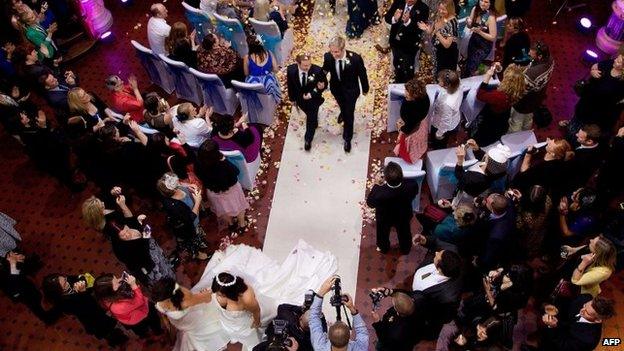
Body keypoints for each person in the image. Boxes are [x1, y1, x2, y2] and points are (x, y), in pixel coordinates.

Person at [190, 241, 337, 350]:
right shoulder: (221, 290)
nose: (218, 295)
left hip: (248, 318)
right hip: (231, 322)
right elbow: (213, 293)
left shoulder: (247, 297)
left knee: (255, 331)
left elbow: (256, 311)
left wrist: (256, 321)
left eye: (220, 293)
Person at [41, 273, 129, 347]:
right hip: (89, 316)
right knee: (104, 329)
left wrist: (84, 281)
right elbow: (81, 307)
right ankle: (115, 340)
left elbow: (78, 278)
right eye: (64, 284)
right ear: (58, 291)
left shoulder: (68, 280)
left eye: (65, 279)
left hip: (95, 307)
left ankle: (114, 333)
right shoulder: (62, 302)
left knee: (106, 320)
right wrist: (82, 292)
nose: (67, 282)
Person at [410, 234, 464, 338]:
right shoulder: (452, 250)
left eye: (437, 255)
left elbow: (444, 317)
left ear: (440, 269)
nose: (436, 252)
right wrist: (425, 240)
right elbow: (437, 243)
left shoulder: (449, 297)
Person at [564, 45, 624, 138]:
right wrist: (593, 71)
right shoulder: (609, 63)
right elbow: (595, 66)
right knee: (576, 120)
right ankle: (569, 131)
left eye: (619, 61)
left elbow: (616, 103)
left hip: (597, 112)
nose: (615, 60)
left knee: (584, 133)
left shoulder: (621, 83)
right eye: (617, 58)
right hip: (586, 101)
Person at [151, 277, 227, 351]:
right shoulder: (185, 300)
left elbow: (164, 316)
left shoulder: (159, 303)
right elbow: (208, 299)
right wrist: (208, 292)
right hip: (192, 320)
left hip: (179, 323)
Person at [322, 36, 369, 152]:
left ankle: (347, 137)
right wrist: (320, 81)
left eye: (336, 52)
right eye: (332, 51)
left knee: (349, 114)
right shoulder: (328, 57)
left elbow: (362, 74)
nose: (334, 54)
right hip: (336, 89)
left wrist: (365, 89)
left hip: (351, 91)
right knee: (343, 106)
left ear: (343, 49)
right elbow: (325, 70)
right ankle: (342, 112)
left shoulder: (355, 59)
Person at [195, 139, 249, 230]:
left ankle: (231, 224)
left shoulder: (198, 164)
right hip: (231, 190)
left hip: (213, 192)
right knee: (239, 207)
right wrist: (224, 161)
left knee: (223, 211)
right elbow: (236, 171)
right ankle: (242, 224)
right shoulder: (222, 165)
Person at [366, 162, 419, 254]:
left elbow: (370, 203)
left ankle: (384, 248)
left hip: (384, 218)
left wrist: (377, 184)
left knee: (382, 234)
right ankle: (405, 249)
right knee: (404, 233)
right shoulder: (411, 185)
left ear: (385, 178)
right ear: (402, 175)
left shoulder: (379, 192)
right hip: (403, 215)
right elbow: (415, 193)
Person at [156, 172, 210, 260]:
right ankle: (200, 255)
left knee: (198, 233)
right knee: (192, 240)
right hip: (188, 227)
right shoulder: (174, 206)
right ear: (172, 189)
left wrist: (189, 185)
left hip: (195, 220)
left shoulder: (174, 188)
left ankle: (200, 242)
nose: (179, 182)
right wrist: (197, 202)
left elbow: (181, 183)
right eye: (176, 183)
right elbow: (190, 218)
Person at [94, 273, 164, 338]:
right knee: (152, 321)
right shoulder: (118, 307)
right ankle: (157, 333)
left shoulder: (105, 296)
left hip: (130, 315)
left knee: (142, 330)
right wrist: (133, 285)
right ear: (110, 291)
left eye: (116, 278)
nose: (119, 280)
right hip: (139, 317)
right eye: (116, 283)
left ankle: (146, 335)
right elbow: (140, 302)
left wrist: (122, 281)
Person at [309, 276, 369, 351]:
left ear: (328, 338)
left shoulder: (320, 348)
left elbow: (313, 318)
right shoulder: (360, 349)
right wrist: (352, 308)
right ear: (349, 338)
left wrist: (321, 291)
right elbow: (362, 332)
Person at [472, 63, 525, 146]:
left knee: (480, 140)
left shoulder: (500, 96)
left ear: (507, 81)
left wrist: (487, 76)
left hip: (490, 124)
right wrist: (498, 70)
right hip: (503, 120)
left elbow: (480, 95)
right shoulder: (518, 89)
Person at [540, 294, 615, 351]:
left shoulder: (588, 340)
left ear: (597, 320)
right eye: (584, 306)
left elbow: (563, 346)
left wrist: (553, 327)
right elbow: (567, 302)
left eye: (587, 313)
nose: (581, 310)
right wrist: (555, 308)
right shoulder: (586, 297)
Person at [509, 41, 554, 133]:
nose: (528, 53)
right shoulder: (550, 59)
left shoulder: (532, 73)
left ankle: (514, 138)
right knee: (528, 118)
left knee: (516, 122)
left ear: (540, 56)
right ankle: (526, 132)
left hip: (524, 102)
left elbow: (521, 91)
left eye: (531, 53)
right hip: (538, 97)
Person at [286, 54, 327, 151]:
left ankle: (308, 139)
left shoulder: (317, 70)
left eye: (309, 65)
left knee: (311, 119)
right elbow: (290, 85)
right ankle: (314, 121)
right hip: (300, 99)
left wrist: (312, 93)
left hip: (313, 99)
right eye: (305, 65)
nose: (308, 67)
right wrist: (292, 99)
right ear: (298, 64)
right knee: (310, 114)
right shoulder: (291, 70)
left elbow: (323, 85)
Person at [0, 252, 53, 324]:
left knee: (37, 295)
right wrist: (12, 265)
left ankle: (47, 309)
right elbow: (12, 283)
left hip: (22, 282)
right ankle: (47, 318)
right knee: (33, 304)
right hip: (18, 291)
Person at [385, 0, 429, 83]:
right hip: (395, 42)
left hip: (410, 45)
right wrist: (394, 18)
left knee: (407, 68)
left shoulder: (423, 8)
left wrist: (408, 22)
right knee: (397, 64)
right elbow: (387, 17)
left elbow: (419, 30)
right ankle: (398, 81)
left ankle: (408, 86)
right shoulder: (398, 2)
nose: (409, 0)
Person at [475, 192, 516, 270]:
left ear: (492, 209)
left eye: (487, 201)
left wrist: (479, 262)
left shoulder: (495, 236)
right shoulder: (508, 203)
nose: (485, 200)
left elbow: (489, 255)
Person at [394, 77, 430, 163]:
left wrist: (401, 130)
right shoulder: (421, 96)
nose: (405, 93)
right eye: (405, 90)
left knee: (407, 147)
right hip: (412, 123)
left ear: (415, 95)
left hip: (413, 129)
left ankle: (407, 157)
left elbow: (409, 126)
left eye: (408, 92)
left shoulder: (417, 110)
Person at [417, 0, 459, 73]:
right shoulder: (439, 17)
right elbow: (430, 31)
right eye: (440, 9)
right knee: (437, 77)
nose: (441, 11)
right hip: (437, 53)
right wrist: (425, 28)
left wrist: (437, 33)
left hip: (448, 55)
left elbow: (447, 45)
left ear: (450, 9)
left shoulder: (453, 22)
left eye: (443, 9)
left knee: (445, 78)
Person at [463, 0, 497, 77]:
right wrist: (468, 23)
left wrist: (479, 32)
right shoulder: (475, 9)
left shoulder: (491, 17)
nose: (483, 3)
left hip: (483, 46)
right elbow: (470, 25)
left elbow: (493, 37)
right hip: (473, 41)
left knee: (471, 67)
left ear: (490, 3)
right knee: (468, 63)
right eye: (481, 0)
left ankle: (470, 83)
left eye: (486, 2)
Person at [430, 69, 462, 149]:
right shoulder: (457, 83)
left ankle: (437, 150)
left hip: (442, 125)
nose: (438, 81)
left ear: (447, 85)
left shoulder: (447, 103)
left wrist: (439, 134)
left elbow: (445, 122)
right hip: (454, 117)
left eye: (440, 80)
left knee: (440, 143)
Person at [565, 124, 603, 192]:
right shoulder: (597, 143)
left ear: (589, 141)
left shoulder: (584, 159)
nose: (576, 135)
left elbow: (572, 172)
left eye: (580, 137)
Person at [244, 39, 281, 103]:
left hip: (254, 84)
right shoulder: (269, 53)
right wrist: (267, 71)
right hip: (269, 82)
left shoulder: (247, 57)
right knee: (273, 80)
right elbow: (276, 69)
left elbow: (246, 73)